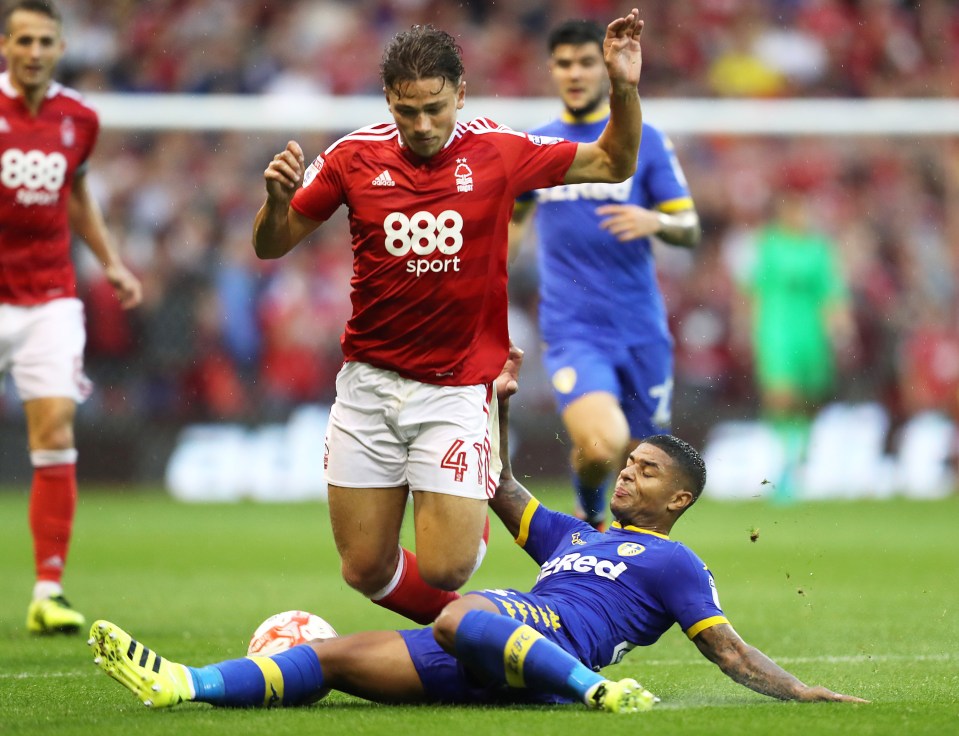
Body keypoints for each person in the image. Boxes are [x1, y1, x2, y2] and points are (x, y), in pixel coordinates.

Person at [88, 347, 867, 712]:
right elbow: (493, 482)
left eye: (646, 472)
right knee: (328, 658)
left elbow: (724, 647)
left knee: (462, 609)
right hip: (493, 647)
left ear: (679, 502)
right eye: (627, 463)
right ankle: (180, 684)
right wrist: (490, 400)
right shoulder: (573, 535)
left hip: (543, 637)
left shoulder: (674, 564)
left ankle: (595, 692)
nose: (626, 474)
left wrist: (803, 693)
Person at [250, 10, 646, 625]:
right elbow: (271, 244)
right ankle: (479, 631)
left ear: (461, 93)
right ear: (389, 100)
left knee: (446, 567)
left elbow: (613, 162)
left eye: (436, 107)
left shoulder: (498, 149)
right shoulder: (351, 158)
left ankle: (472, 568)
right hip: (368, 384)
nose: (423, 125)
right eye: (407, 111)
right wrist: (275, 205)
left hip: (457, 386)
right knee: (364, 569)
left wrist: (622, 88)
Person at [508, 19, 701, 531]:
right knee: (600, 444)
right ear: (552, 69)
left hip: (640, 328)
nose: (575, 72)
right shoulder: (539, 146)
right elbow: (509, 232)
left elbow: (690, 227)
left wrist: (654, 220)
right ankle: (588, 518)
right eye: (565, 62)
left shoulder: (648, 142)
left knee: (643, 468)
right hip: (574, 329)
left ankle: (616, 569)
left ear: (605, 65)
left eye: (586, 61)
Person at [0, 0, 142, 634]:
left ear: (60, 48)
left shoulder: (78, 118)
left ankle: (48, 589)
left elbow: (77, 192)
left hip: (52, 296)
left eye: (45, 41)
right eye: (23, 40)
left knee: (55, 429)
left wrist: (110, 262)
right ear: (6, 46)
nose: (34, 51)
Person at [738, 185, 854, 502]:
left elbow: (831, 292)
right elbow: (754, 292)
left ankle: (796, 460)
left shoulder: (819, 248)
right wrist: (745, 328)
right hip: (775, 331)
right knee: (781, 396)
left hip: (810, 333)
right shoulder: (768, 244)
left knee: (807, 402)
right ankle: (785, 466)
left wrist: (841, 326)